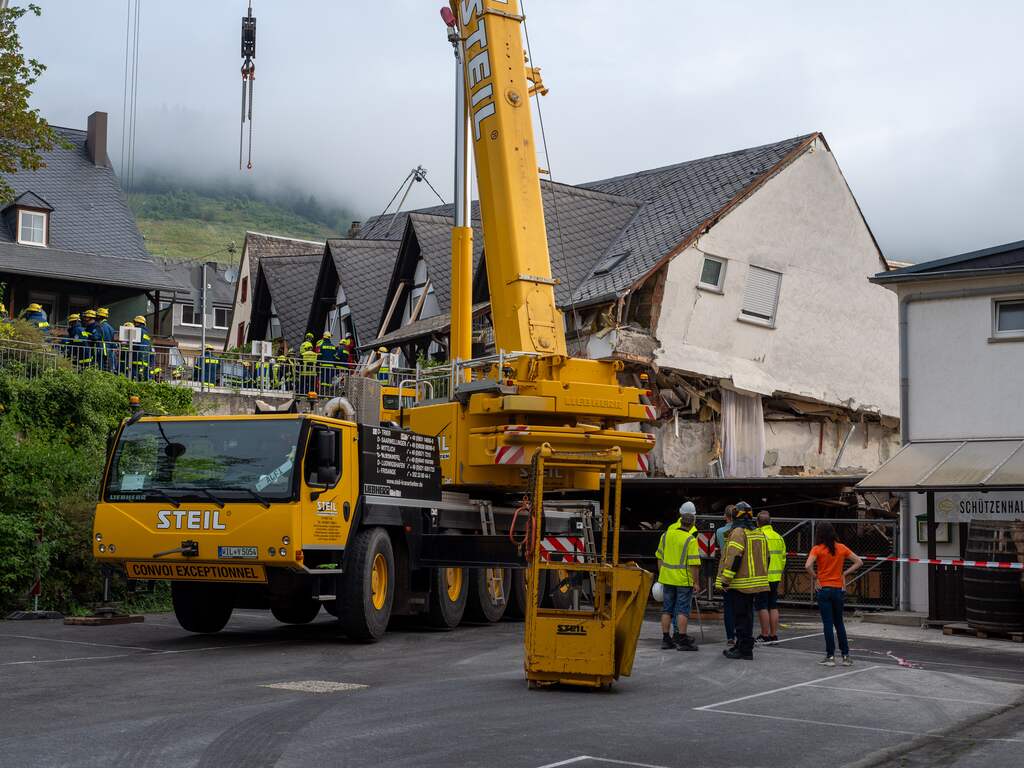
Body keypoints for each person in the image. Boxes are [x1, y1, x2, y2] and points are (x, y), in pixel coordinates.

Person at [716, 501, 769, 660]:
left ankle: (744, 649)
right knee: (747, 616)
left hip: (739, 583)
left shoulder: (738, 532)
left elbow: (734, 558)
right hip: (755, 583)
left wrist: (725, 580)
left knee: (740, 616)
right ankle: (743, 645)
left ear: (734, 516)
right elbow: (767, 558)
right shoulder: (758, 532)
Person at [806, 521, 863, 667]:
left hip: (823, 589)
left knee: (827, 624)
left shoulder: (817, 549)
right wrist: (844, 573)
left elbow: (807, 565)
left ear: (819, 534)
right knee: (839, 623)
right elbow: (859, 562)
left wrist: (816, 577)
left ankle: (830, 656)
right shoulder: (841, 547)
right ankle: (845, 656)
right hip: (838, 589)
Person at [654, 502, 701, 651]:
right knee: (682, 610)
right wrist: (696, 583)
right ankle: (682, 639)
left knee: (667, 609)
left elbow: (659, 557)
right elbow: (694, 564)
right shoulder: (690, 540)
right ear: (692, 522)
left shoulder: (666, 535)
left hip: (667, 579)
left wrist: (662, 574)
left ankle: (666, 639)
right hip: (683, 580)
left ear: (680, 519)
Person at [756, 511, 786, 644]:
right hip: (775, 576)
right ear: (770, 522)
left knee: (762, 605)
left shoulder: (759, 535)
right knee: (773, 605)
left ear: (757, 522)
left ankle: (764, 634)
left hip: (763, 576)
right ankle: (774, 635)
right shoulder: (779, 537)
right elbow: (783, 558)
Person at [715, 505, 736, 646]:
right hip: (739, 571)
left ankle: (730, 636)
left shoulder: (720, 532)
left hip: (724, 569)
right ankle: (741, 633)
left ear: (725, 516)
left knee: (728, 605)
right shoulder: (742, 531)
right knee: (741, 605)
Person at [131, 315, 152, 381]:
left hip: (136, 357)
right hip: (145, 358)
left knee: (134, 375)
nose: (134, 324)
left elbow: (135, 343)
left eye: (134, 323)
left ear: (137, 323)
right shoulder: (147, 333)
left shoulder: (138, 331)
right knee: (143, 376)